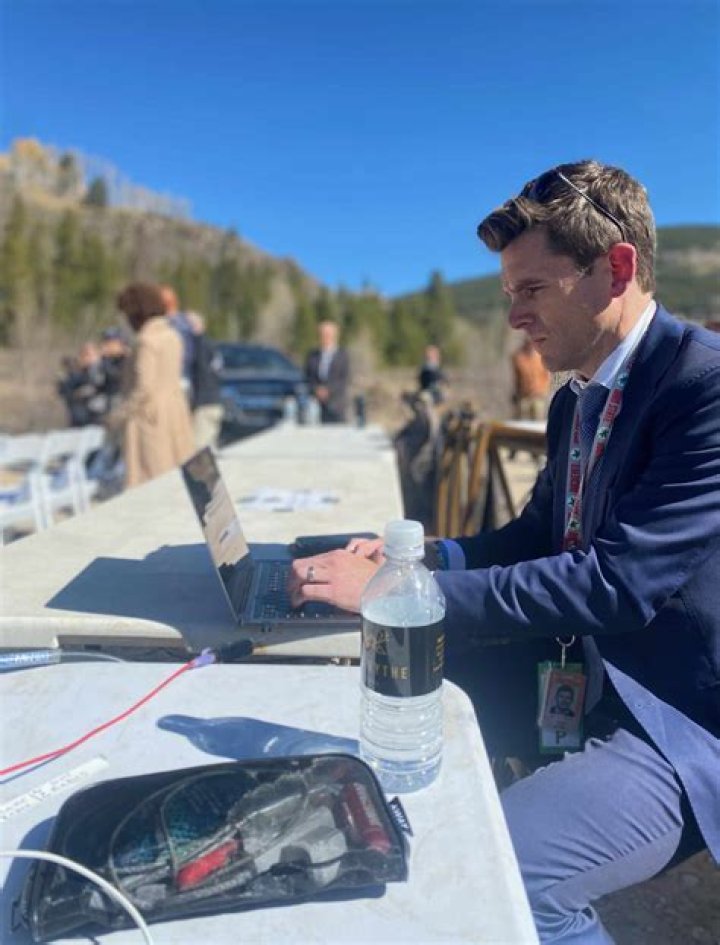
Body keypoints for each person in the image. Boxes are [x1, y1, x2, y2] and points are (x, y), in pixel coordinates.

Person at [288, 160, 720, 943]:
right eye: (507, 293)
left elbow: (615, 583)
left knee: (506, 871)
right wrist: (416, 562)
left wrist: (394, 593)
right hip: (577, 668)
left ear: (616, 268)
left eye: (533, 289)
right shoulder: (576, 398)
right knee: (376, 680)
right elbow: (534, 537)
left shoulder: (703, 386)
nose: (515, 316)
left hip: (674, 716)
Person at [113, 282, 195, 488]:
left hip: (149, 419)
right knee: (178, 478)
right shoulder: (173, 337)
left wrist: (118, 415)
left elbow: (144, 388)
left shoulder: (146, 342)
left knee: (150, 480)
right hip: (175, 412)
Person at [304, 320, 350, 423]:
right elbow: (308, 377)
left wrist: (328, 390)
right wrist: (316, 389)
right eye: (322, 334)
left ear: (335, 336)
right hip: (315, 406)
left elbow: (344, 379)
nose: (325, 337)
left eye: (328, 335)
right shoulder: (312, 356)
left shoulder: (343, 356)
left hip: (336, 406)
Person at [510, 335, 551, 420]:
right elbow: (516, 378)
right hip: (523, 396)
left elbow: (546, 375)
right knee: (521, 421)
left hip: (538, 396)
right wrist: (516, 394)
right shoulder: (518, 357)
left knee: (537, 421)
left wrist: (544, 390)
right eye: (528, 343)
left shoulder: (541, 357)